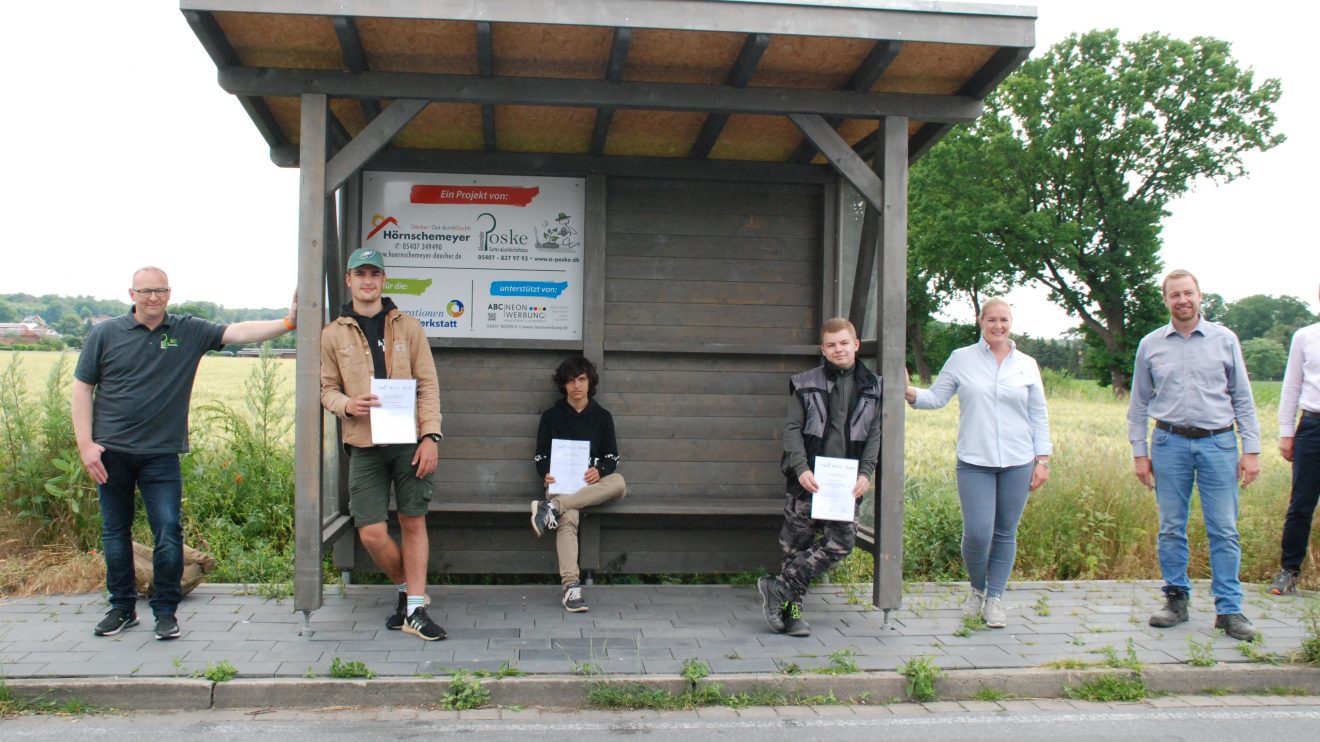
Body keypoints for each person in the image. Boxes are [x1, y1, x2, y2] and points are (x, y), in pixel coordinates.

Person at [74, 266, 296, 640]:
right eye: (145, 291)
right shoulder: (105, 334)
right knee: (115, 534)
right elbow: (82, 388)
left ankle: (165, 611)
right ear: (131, 294)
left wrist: (289, 322)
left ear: (169, 293)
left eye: (159, 290)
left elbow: (236, 332)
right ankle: (122, 608)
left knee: (168, 532)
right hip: (111, 453)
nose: (152, 298)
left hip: (161, 455)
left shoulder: (186, 330)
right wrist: (86, 445)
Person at [1127, 269, 1261, 641]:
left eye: (1188, 293)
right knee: (1172, 527)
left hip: (1218, 444)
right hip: (1169, 444)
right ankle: (1176, 599)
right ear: (1165, 300)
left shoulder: (1224, 340)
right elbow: (1138, 403)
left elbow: (1243, 399)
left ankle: (1229, 610)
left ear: (1200, 296)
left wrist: (1251, 450)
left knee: (1224, 528)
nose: (1182, 300)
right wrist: (1140, 452)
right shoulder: (1151, 345)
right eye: (1174, 295)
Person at [320, 247, 445, 641]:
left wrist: (430, 436)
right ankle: (411, 593)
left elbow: (427, 385)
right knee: (371, 532)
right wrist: (346, 405)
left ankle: (413, 611)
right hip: (363, 442)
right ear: (349, 280)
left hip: (408, 442)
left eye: (375, 273)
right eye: (361, 274)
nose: (368, 280)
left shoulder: (409, 327)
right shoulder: (332, 333)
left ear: (383, 280)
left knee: (413, 522)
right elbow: (326, 389)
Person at [903, 298, 1051, 628]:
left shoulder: (1027, 364)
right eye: (992, 320)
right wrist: (909, 391)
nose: (998, 326)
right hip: (974, 460)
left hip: (1018, 460)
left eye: (1004, 320)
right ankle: (976, 589)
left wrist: (1043, 459)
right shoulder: (962, 359)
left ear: (1011, 322)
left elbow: (1038, 414)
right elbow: (937, 397)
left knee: (1005, 532)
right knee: (978, 533)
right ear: (980, 321)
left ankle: (994, 599)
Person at [758, 317, 880, 637]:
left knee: (841, 543)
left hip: (845, 483)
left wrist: (867, 472)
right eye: (831, 344)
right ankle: (792, 615)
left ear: (856, 345)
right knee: (795, 549)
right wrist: (801, 468)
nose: (838, 349)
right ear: (822, 349)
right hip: (807, 481)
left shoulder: (873, 386)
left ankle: (777, 587)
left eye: (844, 343)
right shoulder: (805, 383)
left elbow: (875, 436)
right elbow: (793, 430)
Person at [529, 356, 626, 612]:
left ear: (589, 382)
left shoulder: (602, 416)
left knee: (619, 483)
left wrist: (600, 470)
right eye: (571, 380)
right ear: (564, 385)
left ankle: (551, 507)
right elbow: (540, 455)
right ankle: (571, 587)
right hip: (561, 483)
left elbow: (612, 457)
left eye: (581, 379)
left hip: (590, 485)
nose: (576, 386)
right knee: (568, 519)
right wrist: (546, 472)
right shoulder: (551, 416)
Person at [1270, 283, 1320, 595]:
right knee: (1301, 503)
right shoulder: (1305, 337)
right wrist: (1287, 433)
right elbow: (1291, 386)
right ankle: (1289, 571)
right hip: (1313, 427)